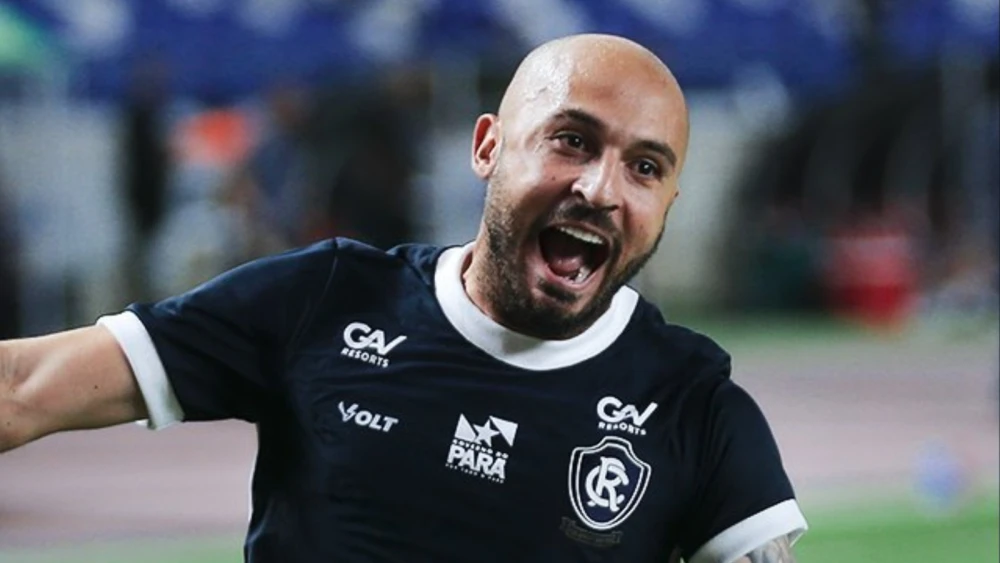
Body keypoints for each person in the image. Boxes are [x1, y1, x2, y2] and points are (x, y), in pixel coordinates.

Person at [0, 34, 807, 562]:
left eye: (644, 167)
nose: (600, 188)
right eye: (572, 140)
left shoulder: (695, 407)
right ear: (488, 146)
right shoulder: (325, 299)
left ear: (668, 202)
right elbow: (22, 388)